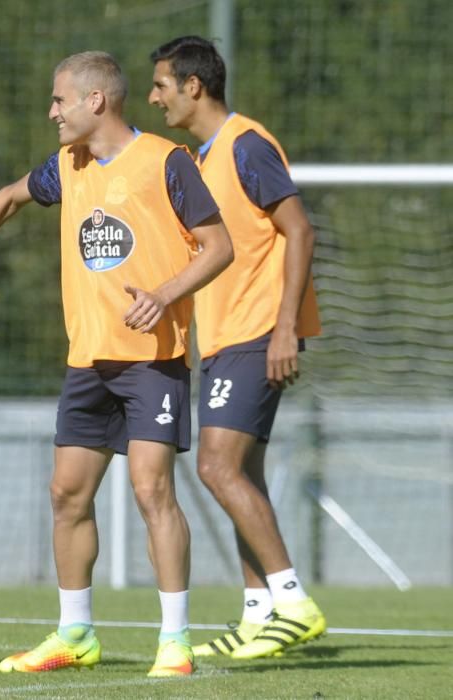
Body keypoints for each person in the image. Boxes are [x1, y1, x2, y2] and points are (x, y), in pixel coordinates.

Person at [0, 51, 233, 677]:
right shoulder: (69, 165)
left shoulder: (166, 162)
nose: (51, 111)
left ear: (97, 102)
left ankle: (175, 642)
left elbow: (220, 247)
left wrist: (165, 295)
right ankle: (75, 633)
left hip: (152, 359)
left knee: (151, 490)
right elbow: (9, 199)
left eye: (59, 100)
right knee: (66, 495)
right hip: (87, 362)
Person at [148, 35, 326, 660]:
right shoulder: (202, 158)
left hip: (257, 332)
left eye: (161, 84)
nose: (154, 97)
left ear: (193, 86)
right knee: (241, 471)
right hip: (224, 339)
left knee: (216, 467)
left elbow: (298, 228)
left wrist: (285, 327)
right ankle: (258, 612)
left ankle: (294, 602)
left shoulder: (246, 144)